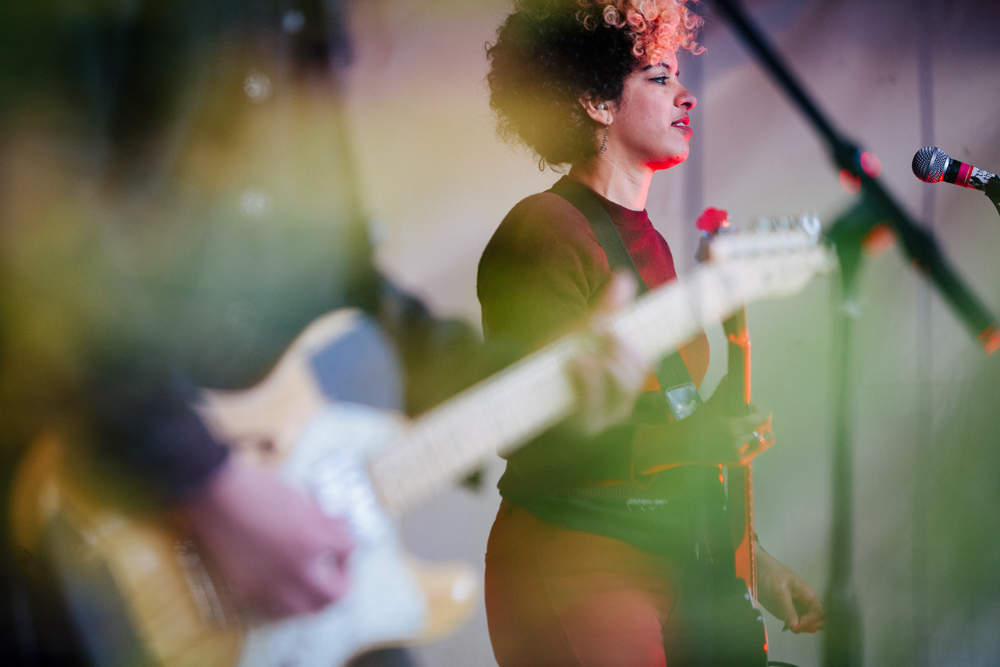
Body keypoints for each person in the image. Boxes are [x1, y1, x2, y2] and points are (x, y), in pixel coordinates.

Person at [0, 1, 651, 664]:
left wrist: (548, 376)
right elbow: (31, 236)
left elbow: (346, 289)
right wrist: (205, 481)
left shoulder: (298, 19)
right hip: (101, 535)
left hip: (294, 559)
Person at [477, 1, 824, 665]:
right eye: (659, 78)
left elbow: (664, 425)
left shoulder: (653, 246)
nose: (686, 95)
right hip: (577, 565)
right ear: (595, 101)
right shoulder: (544, 232)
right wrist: (689, 438)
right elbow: (538, 435)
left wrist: (751, 559)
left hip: (663, 558)